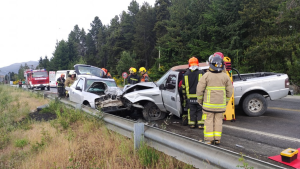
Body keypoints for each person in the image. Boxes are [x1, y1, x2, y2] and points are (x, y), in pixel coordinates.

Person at [196, 55, 233, 145]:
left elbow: (199, 90)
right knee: (218, 121)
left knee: (208, 121)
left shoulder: (206, 76)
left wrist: (200, 101)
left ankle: (209, 140)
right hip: (220, 106)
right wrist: (226, 101)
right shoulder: (225, 76)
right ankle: (217, 139)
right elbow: (230, 91)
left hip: (208, 106)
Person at [181, 57, 205, 129]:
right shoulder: (201, 73)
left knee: (191, 111)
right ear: (197, 64)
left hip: (190, 97)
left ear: (189, 64)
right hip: (199, 97)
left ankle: (192, 124)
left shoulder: (186, 74)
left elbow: (183, 87)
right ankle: (200, 124)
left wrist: (184, 96)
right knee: (200, 110)